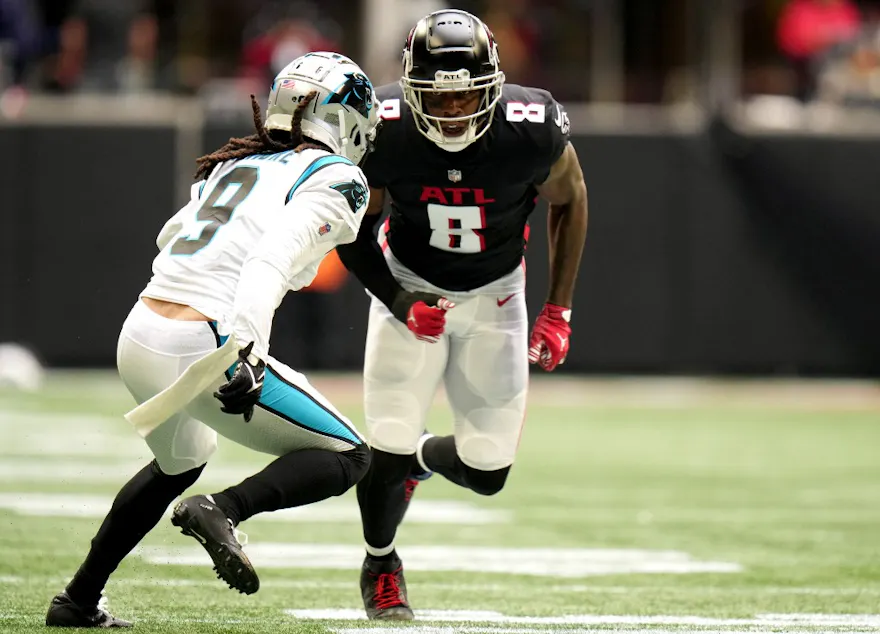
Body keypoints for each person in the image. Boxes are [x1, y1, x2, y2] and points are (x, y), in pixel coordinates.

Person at [46, 51, 379, 628]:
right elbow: (270, 261)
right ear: (345, 119)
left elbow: (170, 234)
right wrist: (247, 350)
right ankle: (224, 509)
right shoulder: (339, 177)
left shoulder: (237, 164)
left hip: (143, 327)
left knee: (178, 462)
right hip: (206, 340)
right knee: (351, 456)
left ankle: (78, 599)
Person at [335, 9, 588, 621]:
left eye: (467, 96)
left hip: (497, 295)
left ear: (493, 86)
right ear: (411, 91)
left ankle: (418, 462)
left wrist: (559, 309)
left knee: (487, 471)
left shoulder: (531, 128)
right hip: (409, 284)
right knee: (385, 444)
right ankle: (382, 564)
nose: (452, 113)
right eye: (438, 99)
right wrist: (400, 302)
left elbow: (571, 198)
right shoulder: (386, 128)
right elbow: (351, 232)